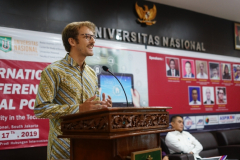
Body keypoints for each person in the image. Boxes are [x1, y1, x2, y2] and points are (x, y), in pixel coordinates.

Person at [34, 21, 112, 160]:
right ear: (72, 41)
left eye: (93, 37)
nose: (93, 41)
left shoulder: (91, 73)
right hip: (62, 148)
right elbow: (40, 109)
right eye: (87, 36)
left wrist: (101, 108)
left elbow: (90, 109)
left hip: (89, 146)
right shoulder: (53, 71)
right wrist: (79, 109)